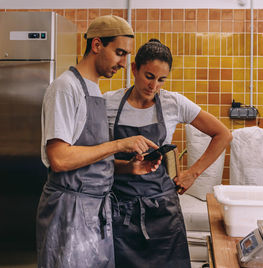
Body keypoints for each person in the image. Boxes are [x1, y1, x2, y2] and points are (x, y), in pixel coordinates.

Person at [36, 16, 160, 268]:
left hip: (95, 212)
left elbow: (87, 159)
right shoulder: (65, 88)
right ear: (96, 46)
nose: (124, 64)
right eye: (119, 53)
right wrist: (118, 145)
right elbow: (59, 159)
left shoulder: (94, 91)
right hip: (69, 212)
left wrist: (127, 167)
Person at [104, 39, 233, 268]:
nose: (154, 86)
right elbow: (97, 155)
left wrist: (193, 173)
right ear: (134, 69)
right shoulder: (108, 103)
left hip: (162, 209)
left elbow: (223, 134)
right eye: (149, 76)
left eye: (161, 79)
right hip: (120, 209)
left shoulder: (174, 103)